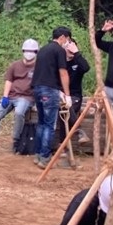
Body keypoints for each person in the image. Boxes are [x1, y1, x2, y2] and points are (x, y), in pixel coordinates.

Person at [31, 26, 73, 169]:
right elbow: (63, 73)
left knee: (41, 122)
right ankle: (45, 157)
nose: (67, 42)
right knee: (49, 124)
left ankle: (37, 154)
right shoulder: (59, 50)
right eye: (67, 39)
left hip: (37, 88)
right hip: (49, 90)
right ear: (62, 37)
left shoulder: (43, 49)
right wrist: (67, 94)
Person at [0, 38, 38, 153]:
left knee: (19, 112)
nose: (29, 53)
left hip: (26, 97)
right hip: (11, 96)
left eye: (32, 51)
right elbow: (9, 81)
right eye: (27, 50)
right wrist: (5, 96)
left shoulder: (38, 67)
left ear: (36, 53)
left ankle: (16, 140)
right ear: (23, 51)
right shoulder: (15, 65)